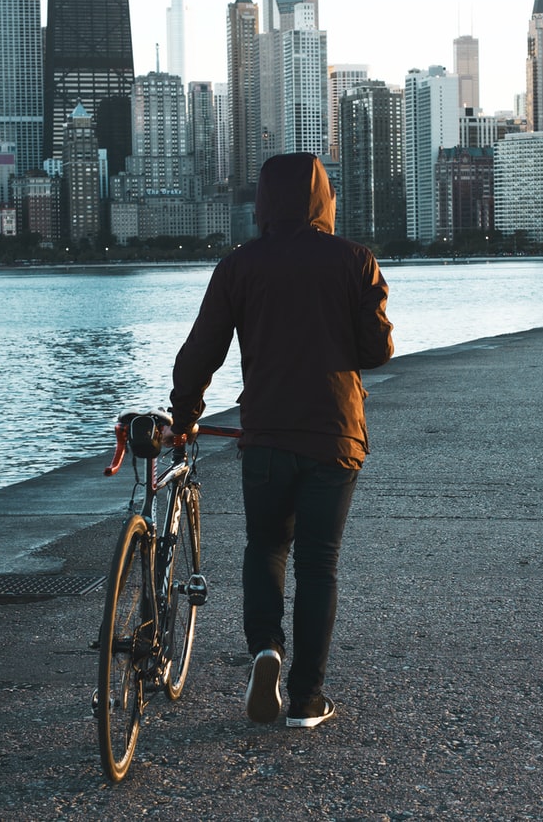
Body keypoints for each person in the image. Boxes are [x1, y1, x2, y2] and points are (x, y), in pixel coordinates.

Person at [167, 152, 394, 729]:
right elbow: (377, 351)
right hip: (334, 435)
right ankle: (307, 700)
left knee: (265, 548)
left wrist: (186, 414)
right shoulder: (354, 260)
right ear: (325, 199)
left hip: (265, 435)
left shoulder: (239, 265)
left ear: (264, 202)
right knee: (319, 565)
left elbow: (201, 352)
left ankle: (266, 649)